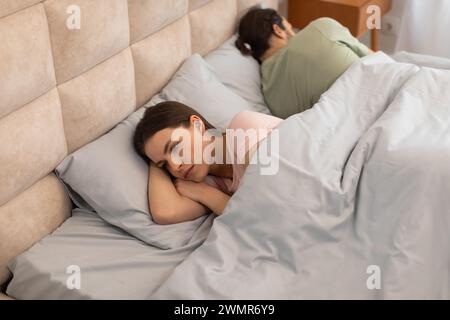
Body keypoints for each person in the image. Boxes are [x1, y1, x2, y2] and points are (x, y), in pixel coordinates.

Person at [133, 101, 282, 225]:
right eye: (165, 165)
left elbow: (265, 210)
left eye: (175, 146)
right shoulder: (209, 182)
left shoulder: (242, 129)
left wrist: (208, 195)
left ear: (197, 125)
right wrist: (155, 160)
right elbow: (166, 213)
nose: (174, 166)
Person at [236, 7, 372, 119]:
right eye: (289, 26)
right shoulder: (321, 26)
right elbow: (373, 58)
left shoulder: (269, 95)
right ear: (278, 29)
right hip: (376, 95)